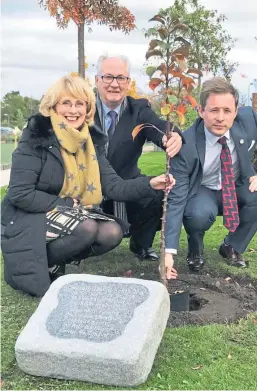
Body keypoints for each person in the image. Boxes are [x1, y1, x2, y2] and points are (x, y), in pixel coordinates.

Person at [1, 75, 175, 297]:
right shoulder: (36, 137)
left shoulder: (89, 142)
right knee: (87, 227)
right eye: (66, 103)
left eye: (79, 104)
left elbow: (115, 186)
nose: (73, 110)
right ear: (53, 106)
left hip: (66, 212)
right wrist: (64, 203)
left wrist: (151, 183)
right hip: (27, 215)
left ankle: (56, 262)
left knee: (112, 232)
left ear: (87, 109)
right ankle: (37, 264)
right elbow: (19, 193)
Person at [164, 77, 257, 279]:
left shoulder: (249, 120)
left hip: (236, 184)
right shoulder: (185, 145)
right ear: (201, 111)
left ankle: (232, 246)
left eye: (227, 111)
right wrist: (168, 251)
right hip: (203, 189)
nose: (220, 118)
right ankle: (195, 249)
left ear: (236, 111)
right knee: (197, 214)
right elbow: (176, 198)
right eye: (214, 110)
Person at [94, 54, 183, 261]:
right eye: (108, 77)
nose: (114, 84)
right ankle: (80, 245)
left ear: (128, 82)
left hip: (127, 183)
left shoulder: (139, 110)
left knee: (158, 195)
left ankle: (140, 244)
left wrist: (173, 135)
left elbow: (159, 127)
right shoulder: (82, 108)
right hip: (90, 186)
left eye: (121, 78)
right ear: (96, 80)